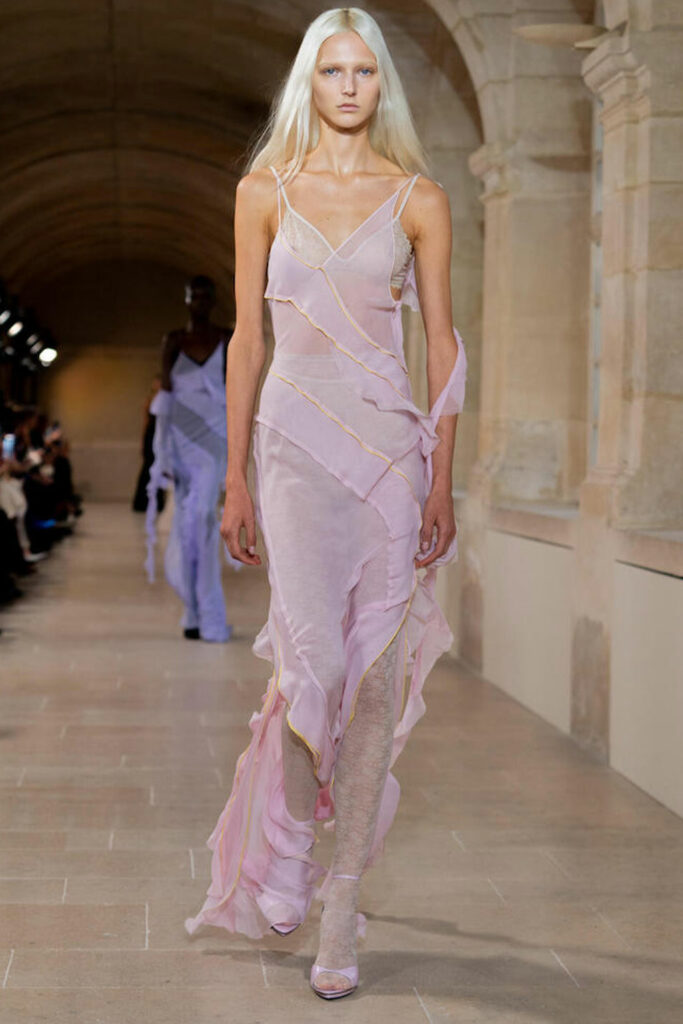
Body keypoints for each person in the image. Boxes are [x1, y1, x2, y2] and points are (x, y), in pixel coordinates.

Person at [185, 8, 467, 1000]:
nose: (348, 87)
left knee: (375, 677)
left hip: (388, 452)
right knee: (311, 663)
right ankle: (295, 852)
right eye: (331, 71)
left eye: (363, 72)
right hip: (293, 451)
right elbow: (247, 340)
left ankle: (340, 898)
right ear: (308, 82)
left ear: (381, 84)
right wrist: (235, 476)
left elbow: (440, 346)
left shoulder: (419, 199)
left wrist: (441, 476)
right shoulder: (262, 192)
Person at [145, 275, 234, 642]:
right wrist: (161, 454)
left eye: (205, 296)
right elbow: (164, 398)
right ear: (185, 299)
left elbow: (236, 391)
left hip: (214, 438)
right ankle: (192, 611)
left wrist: (238, 451)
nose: (199, 301)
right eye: (193, 295)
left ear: (213, 300)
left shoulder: (226, 338)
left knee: (203, 519)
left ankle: (209, 613)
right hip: (181, 440)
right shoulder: (173, 341)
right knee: (187, 525)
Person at [132, 376, 166, 513]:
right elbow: (145, 423)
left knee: (158, 468)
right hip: (150, 436)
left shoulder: (165, 400)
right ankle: (143, 501)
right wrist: (142, 441)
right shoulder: (149, 401)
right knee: (148, 467)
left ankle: (157, 501)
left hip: (160, 435)